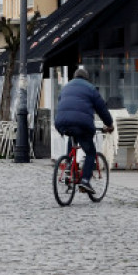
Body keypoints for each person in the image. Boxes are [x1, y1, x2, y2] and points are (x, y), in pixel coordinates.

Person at [54, 67, 114, 195]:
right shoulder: (90, 88)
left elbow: (62, 103)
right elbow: (102, 109)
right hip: (81, 124)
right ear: (86, 78)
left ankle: (69, 168)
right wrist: (109, 124)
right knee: (91, 152)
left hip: (61, 122)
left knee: (72, 138)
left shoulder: (66, 87)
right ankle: (85, 180)